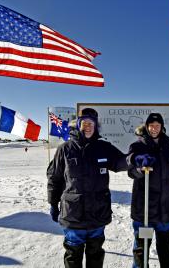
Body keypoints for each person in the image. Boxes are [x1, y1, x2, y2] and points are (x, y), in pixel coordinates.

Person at [47, 108, 132, 268]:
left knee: (95, 255)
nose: (88, 126)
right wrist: (53, 203)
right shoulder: (65, 149)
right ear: (78, 124)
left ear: (96, 126)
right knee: (73, 257)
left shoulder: (103, 147)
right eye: (84, 123)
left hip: (97, 214)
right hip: (73, 215)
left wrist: (133, 159)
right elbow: (54, 178)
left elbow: (120, 161)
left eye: (91, 123)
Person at [128, 113, 169, 268]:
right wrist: (140, 168)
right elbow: (131, 172)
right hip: (145, 211)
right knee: (141, 252)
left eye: (157, 125)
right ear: (147, 127)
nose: (154, 128)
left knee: (166, 250)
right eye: (151, 125)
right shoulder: (137, 146)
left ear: (162, 127)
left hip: (166, 209)